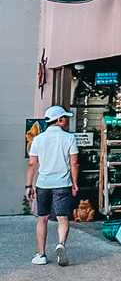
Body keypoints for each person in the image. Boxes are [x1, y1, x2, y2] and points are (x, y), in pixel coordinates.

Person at [25, 105, 79, 266]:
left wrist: (29, 186)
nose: (67, 121)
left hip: (43, 184)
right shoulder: (69, 138)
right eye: (65, 118)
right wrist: (75, 183)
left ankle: (41, 255)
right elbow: (74, 163)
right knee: (63, 218)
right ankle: (61, 244)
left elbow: (32, 164)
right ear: (60, 120)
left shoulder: (38, 139)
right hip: (63, 184)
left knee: (42, 218)